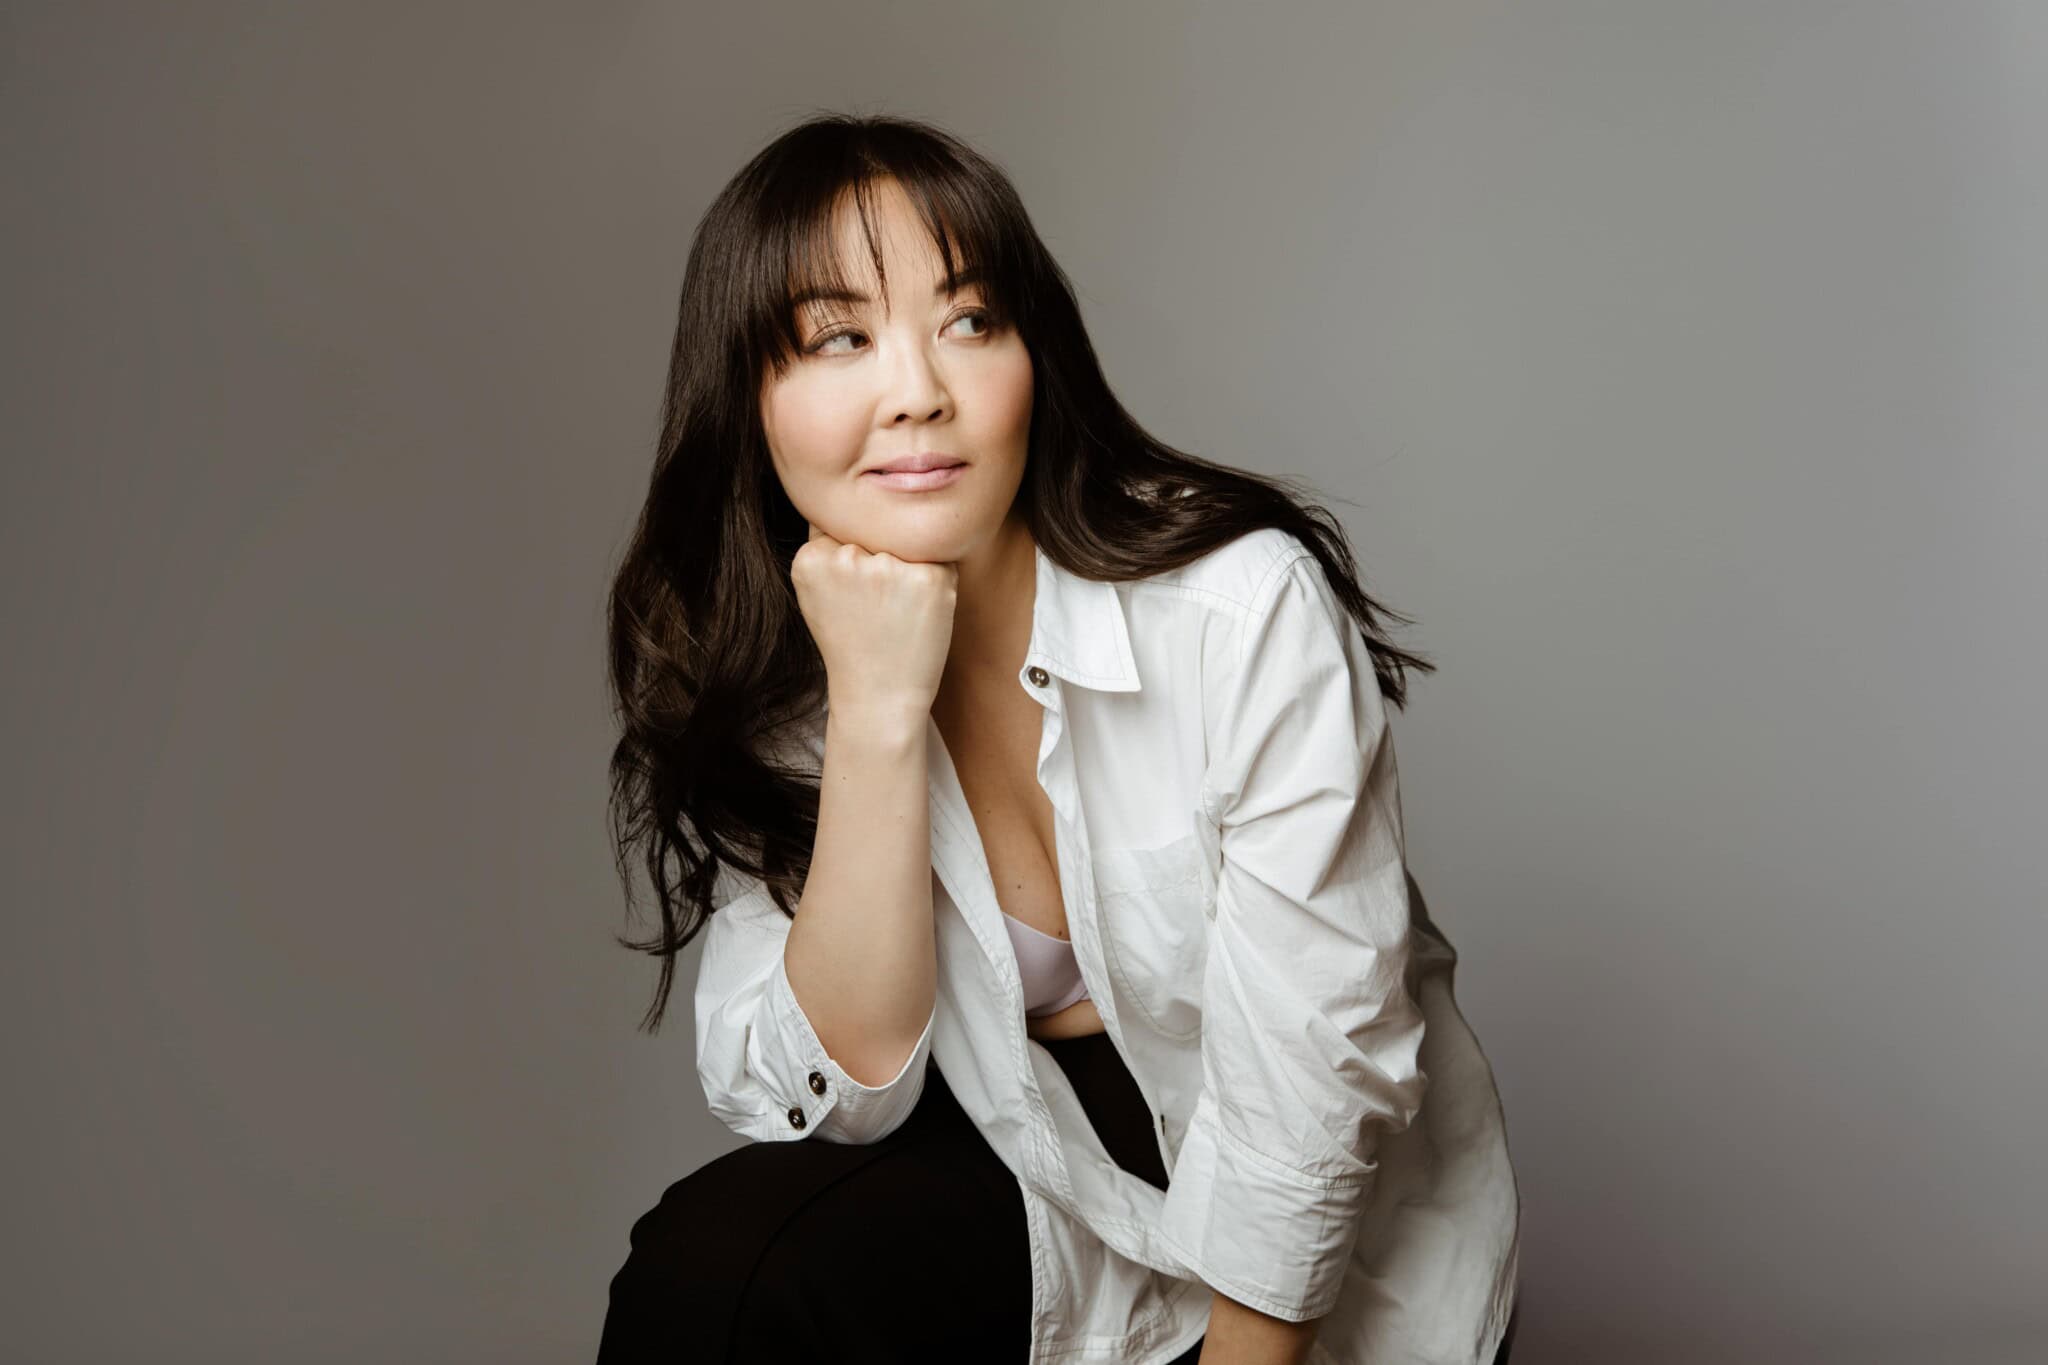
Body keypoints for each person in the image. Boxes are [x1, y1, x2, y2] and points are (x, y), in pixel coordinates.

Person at [594, 113, 1521, 1365]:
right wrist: (874, 712)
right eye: (839, 338)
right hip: (1046, 1180)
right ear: (747, 398)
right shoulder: (789, 678)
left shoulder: (1234, 607)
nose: (917, 392)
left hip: (1315, 1236)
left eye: (968, 320)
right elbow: (836, 1093)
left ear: (1035, 351)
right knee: (716, 1271)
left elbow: (1317, 1069)